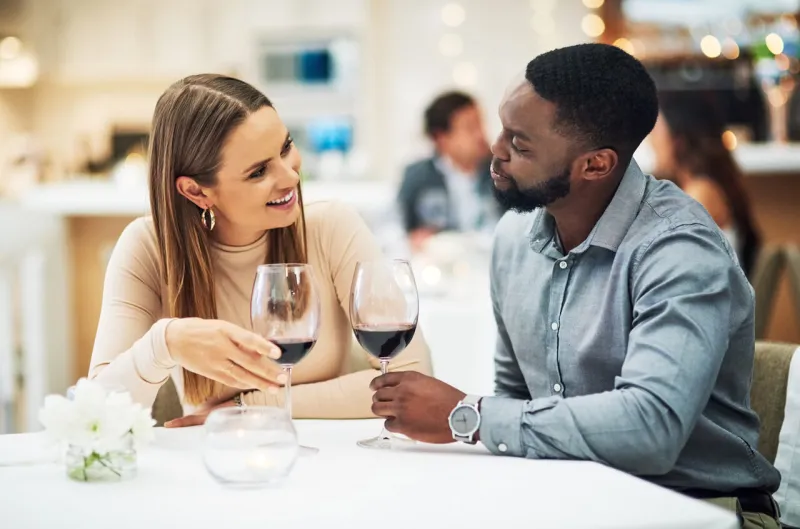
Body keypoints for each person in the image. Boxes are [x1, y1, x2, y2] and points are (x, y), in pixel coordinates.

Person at [369, 44, 781, 527]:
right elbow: (519, 401)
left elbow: (652, 429)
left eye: (520, 145)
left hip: (699, 508)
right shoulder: (514, 240)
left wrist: (470, 416)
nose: (494, 151)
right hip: (573, 500)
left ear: (596, 165)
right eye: (503, 128)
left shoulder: (679, 251)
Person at [88, 74, 432, 425]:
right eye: (258, 172)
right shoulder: (148, 248)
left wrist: (250, 405)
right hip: (217, 466)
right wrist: (164, 342)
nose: (291, 178)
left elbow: (413, 377)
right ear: (196, 192)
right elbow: (96, 413)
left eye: (286, 147)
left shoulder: (331, 226)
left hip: (330, 459)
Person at [649, 91, 762, 278]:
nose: (651, 142)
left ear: (678, 141)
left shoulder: (701, 193)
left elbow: (672, 265)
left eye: (655, 132)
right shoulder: (703, 187)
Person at [397, 91, 501, 249]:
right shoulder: (416, 176)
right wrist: (412, 239)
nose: (480, 135)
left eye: (481, 124)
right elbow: (392, 227)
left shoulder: (502, 173)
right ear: (441, 138)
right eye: (470, 128)